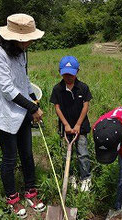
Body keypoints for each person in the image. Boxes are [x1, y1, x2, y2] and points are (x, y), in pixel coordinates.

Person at [0, 13, 46, 219]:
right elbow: (7, 90)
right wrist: (32, 108)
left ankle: (31, 192)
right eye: (27, 39)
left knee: (27, 154)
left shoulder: (21, 53)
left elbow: (24, 81)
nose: (30, 42)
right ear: (14, 38)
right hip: (3, 113)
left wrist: (33, 102)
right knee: (10, 158)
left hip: (21, 111)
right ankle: (12, 198)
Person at [50, 56, 92, 192]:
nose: (68, 77)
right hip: (66, 128)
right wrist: (66, 125)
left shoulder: (83, 88)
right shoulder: (57, 89)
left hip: (81, 127)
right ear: (60, 72)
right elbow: (57, 108)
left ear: (77, 71)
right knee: (66, 154)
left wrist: (78, 125)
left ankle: (85, 178)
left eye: (71, 74)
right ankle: (71, 176)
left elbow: (85, 106)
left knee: (83, 153)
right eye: (65, 74)